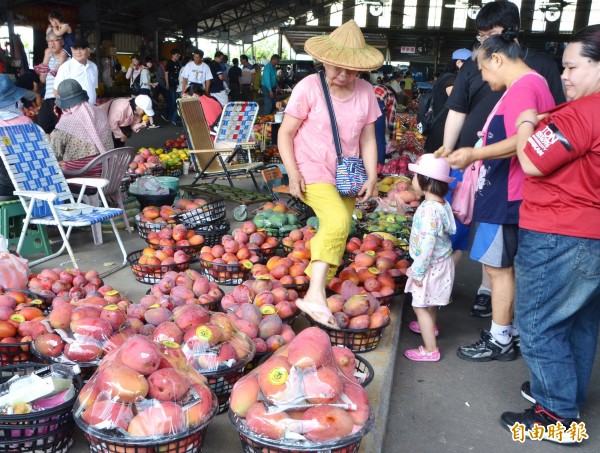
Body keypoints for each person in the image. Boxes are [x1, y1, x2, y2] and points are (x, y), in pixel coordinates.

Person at [500, 24, 600, 443]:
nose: (564, 75)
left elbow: (533, 161)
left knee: (538, 322)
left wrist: (526, 121)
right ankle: (565, 395)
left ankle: (557, 416)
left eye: (572, 66)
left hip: (560, 233)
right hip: (588, 234)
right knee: (577, 322)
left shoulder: (583, 112)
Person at [442, 0, 565, 320]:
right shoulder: (528, 84)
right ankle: (508, 330)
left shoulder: (524, 87)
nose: (481, 75)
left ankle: (500, 335)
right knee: (503, 266)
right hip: (507, 191)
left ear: (496, 57)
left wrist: (473, 153)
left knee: (498, 268)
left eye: (482, 68)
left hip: (506, 192)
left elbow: (523, 146)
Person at [277, 20, 382, 328]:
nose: (342, 75)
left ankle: (315, 297)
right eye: (336, 67)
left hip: (347, 174)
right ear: (324, 61)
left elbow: (367, 139)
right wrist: (292, 172)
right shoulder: (308, 87)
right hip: (311, 169)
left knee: (341, 228)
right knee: (336, 221)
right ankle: (313, 295)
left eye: (350, 70)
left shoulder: (366, 93)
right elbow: (285, 133)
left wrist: (372, 176)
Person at [403, 154, 456, 361]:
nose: (412, 180)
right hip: (443, 262)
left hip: (430, 265)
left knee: (419, 305)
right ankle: (429, 327)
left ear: (425, 181)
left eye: (415, 176)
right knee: (430, 301)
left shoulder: (428, 211)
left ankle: (430, 350)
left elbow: (427, 246)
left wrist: (417, 271)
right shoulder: (442, 204)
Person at [50, 79, 113, 176]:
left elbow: (55, 149)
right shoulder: (100, 112)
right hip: (105, 171)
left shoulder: (66, 123)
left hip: (79, 176)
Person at [423, 48, 471, 153]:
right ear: (458, 63)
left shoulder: (445, 77)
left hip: (439, 129)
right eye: (470, 64)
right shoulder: (452, 80)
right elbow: (458, 103)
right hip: (444, 131)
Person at [36, 32, 67, 134]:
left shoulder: (68, 59)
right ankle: (50, 149)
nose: (52, 43)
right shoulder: (48, 59)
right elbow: (42, 80)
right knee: (42, 128)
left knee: (62, 131)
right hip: (48, 98)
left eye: (55, 40)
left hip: (62, 99)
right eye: (49, 41)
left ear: (62, 42)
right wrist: (45, 60)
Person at [53, 38, 98, 106]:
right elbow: (56, 90)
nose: (78, 52)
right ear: (71, 50)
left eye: (82, 48)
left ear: (87, 50)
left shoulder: (93, 66)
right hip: (75, 110)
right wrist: (66, 108)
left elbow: (93, 88)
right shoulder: (66, 67)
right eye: (75, 49)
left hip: (92, 107)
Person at [372, 74, 397, 164]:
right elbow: (391, 119)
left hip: (362, 101)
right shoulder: (391, 96)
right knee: (379, 138)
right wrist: (393, 138)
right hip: (377, 103)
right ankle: (379, 165)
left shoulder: (374, 86)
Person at [41, 11, 74, 75]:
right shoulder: (58, 28)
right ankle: (43, 66)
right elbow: (48, 34)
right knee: (47, 51)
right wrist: (49, 30)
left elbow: (58, 33)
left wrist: (53, 27)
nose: (51, 23)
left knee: (62, 54)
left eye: (51, 21)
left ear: (54, 20)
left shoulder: (65, 26)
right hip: (64, 46)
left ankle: (57, 68)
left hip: (69, 46)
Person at [164, 49, 182, 125]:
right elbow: (166, 73)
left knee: (174, 101)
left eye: (178, 55)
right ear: (173, 55)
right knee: (172, 101)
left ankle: (168, 115)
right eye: (177, 55)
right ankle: (169, 116)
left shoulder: (178, 63)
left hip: (176, 84)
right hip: (170, 84)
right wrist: (167, 83)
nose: (178, 57)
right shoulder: (169, 63)